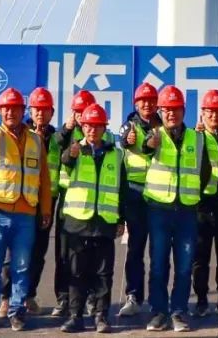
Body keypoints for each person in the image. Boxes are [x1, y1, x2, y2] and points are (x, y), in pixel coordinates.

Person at [0, 87, 53, 331]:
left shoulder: (36, 140)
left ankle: (17, 312)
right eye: (5, 108)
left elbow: (44, 178)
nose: (10, 112)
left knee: (21, 266)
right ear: (0, 111)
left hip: (26, 214)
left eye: (15, 108)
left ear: (22, 111)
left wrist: (46, 210)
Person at [139, 84, 211, 332]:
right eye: (167, 109)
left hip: (187, 212)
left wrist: (191, 194)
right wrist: (149, 144)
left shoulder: (197, 137)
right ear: (160, 111)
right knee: (158, 263)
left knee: (184, 265)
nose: (172, 113)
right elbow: (141, 150)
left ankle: (179, 311)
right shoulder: (153, 136)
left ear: (183, 110)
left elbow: (205, 172)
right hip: (159, 209)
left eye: (176, 109)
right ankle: (159, 312)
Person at [59, 103, 128, 334]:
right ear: (83, 126)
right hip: (78, 222)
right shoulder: (75, 150)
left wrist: (121, 219)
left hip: (104, 223)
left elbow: (123, 189)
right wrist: (71, 154)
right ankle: (75, 317)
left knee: (103, 274)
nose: (92, 130)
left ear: (104, 128)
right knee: (76, 272)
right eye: (88, 125)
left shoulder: (115, 154)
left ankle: (101, 316)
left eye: (97, 126)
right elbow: (65, 166)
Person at [54, 90, 107, 320]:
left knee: (92, 260)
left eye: (83, 111)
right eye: (76, 111)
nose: (79, 116)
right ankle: (64, 298)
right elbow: (57, 149)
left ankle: (91, 301)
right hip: (67, 202)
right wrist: (67, 130)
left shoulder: (103, 137)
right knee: (64, 256)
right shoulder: (66, 134)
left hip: (93, 204)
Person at [118, 82, 160, 319]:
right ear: (136, 103)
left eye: (151, 100)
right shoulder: (129, 125)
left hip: (159, 195)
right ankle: (133, 296)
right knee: (135, 249)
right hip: (134, 195)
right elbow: (124, 141)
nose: (147, 104)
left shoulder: (162, 126)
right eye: (142, 100)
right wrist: (128, 139)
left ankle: (157, 299)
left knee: (159, 250)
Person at [192, 89, 218, 319]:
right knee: (200, 257)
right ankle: (201, 300)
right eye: (209, 112)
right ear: (202, 114)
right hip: (201, 204)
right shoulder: (193, 137)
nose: (214, 116)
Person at [23, 86, 61, 317]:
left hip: (47, 200)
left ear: (51, 112)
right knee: (17, 250)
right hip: (23, 198)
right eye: (36, 109)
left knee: (38, 251)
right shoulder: (20, 132)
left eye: (44, 109)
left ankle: (29, 295)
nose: (40, 113)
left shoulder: (57, 137)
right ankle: (7, 297)